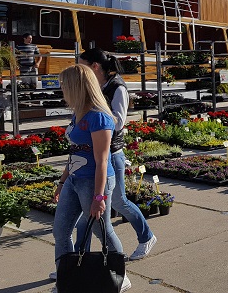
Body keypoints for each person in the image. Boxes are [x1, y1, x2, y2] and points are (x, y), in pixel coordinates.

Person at [51, 64, 130, 291]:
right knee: (61, 231)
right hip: (75, 180)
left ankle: (119, 275)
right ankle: (65, 279)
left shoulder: (99, 117)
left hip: (93, 182)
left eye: (65, 84)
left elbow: (102, 160)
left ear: (77, 86)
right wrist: (63, 181)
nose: (62, 88)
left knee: (101, 231)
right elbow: (75, 151)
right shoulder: (78, 112)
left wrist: (98, 196)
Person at [74, 48, 157, 261]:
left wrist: (97, 115)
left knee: (119, 202)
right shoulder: (96, 85)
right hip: (94, 153)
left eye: (82, 65)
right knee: (89, 211)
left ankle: (146, 237)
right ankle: (76, 260)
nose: (78, 69)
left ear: (95, 67)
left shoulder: (116, 87)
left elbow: (119, 121)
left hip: (111, 154)